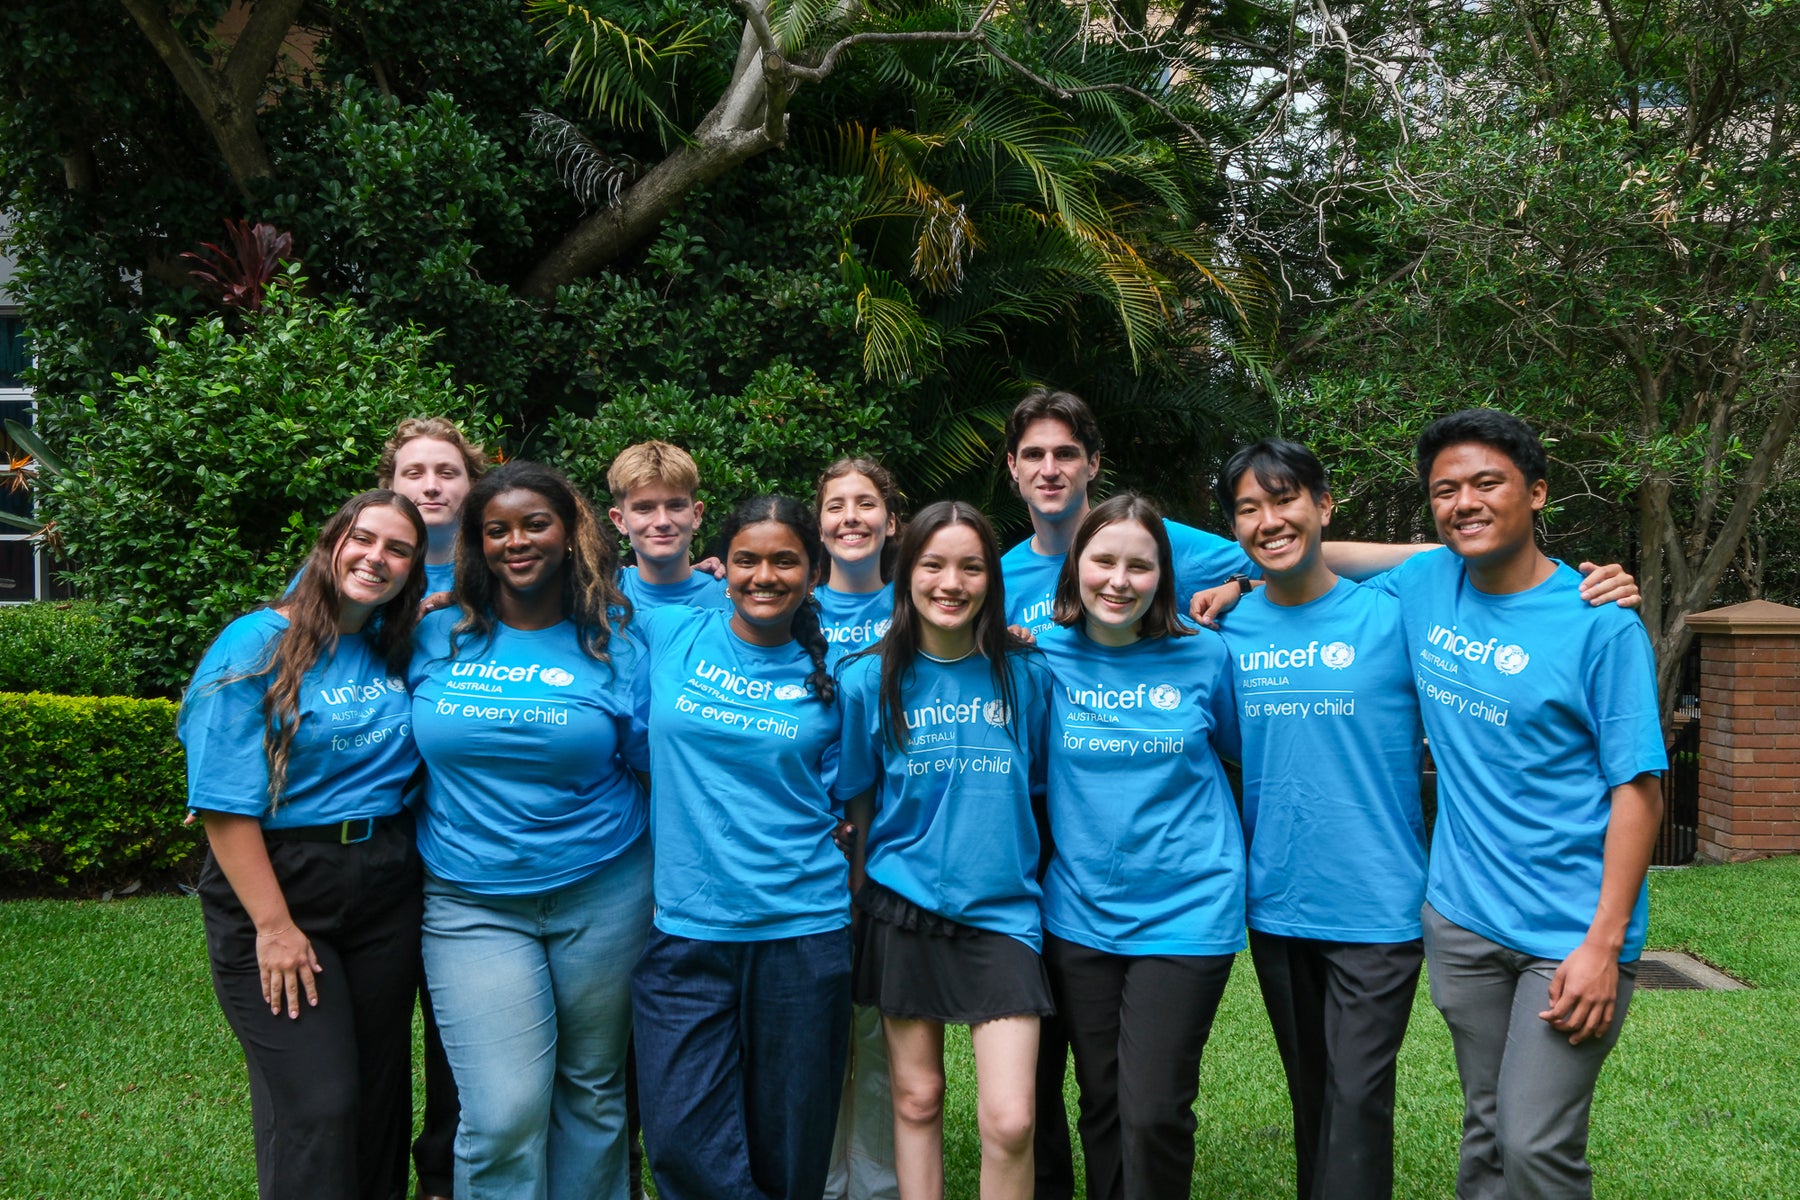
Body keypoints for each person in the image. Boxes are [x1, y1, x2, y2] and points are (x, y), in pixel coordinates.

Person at [1366, 410, 1667, 1199]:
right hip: (1463, 919)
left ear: (1536, 493)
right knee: (1488, 1129)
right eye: (1445, 490)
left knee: (1536, 1144)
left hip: (1569, 935)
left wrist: (1603, 946)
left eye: (1487, 483)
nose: (1464, 501)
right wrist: (1235, 577)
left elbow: (1638, 791)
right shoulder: (1427, 579)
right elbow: (1303, 551)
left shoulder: (1601, 625)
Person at [409, 461, 652, 1200]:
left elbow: (656, 760)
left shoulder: (618, 639)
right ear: (476, 545)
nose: (518, 542)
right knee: (503, 1109)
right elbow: (326, 658)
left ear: (569, 532)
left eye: (535, 524)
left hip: (604, 889)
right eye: (497, 530)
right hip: (470, 900)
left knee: (593, 1091)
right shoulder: (434, 633)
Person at [180, 489, 428, 1200]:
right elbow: (223, 805)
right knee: (319, 1101)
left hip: (385, 880)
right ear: (331, 544)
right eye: (363, 539)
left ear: (415, 568)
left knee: (379, 1096)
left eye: (397, 550)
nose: (376, 559)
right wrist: (274, 926)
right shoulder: (259, 640)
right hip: (283, 883)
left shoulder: (395, 642)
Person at [1215, 440, 1426, 1200]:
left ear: (1324, 506)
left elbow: (1463, 551)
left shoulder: (1395, 612)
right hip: (1276, 903)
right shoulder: (1224, 632)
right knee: (1313, 1100)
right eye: (1248, 509)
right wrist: (1239, 583)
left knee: (1358, 1098)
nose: (1267, 520)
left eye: (1284, 501)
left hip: (1379, 902)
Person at [628, 495, 853, 1200]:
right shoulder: (670, 633)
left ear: (812, 572)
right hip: (685, 931)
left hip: (802, 931)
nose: (765, 575)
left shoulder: (844, 671)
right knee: (676, 1136)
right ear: (720, 568)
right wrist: (448, 592)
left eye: (785, 560)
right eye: (748, 559)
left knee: (790, 1145)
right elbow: (545, 601)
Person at [836, 501, 1054, 1200]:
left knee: (1012, 1119)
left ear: (992, 577)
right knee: (917, 1098)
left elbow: (1045, 791)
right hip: (904, 907)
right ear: (907, 575)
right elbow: (860, 804)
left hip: (1004, 913)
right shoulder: (868, 679)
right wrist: (858, 899)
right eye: (933, 565)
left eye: (969, 566)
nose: (950, 582)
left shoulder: (1026, 675)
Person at [1033, 493, 1244, 1200]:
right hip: (1080, 914)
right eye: (1103, 561)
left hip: (1189, 909)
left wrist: (1242, 583)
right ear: (1075, 567)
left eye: (1139, 566)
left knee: (1153, 1110)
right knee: (1102, 1102)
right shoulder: (1041, 658)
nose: (1118, 580)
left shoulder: (1205, 653)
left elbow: (1241, 752)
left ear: (1164, 576)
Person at [376, 415, 489, 1200]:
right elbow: (284, 663)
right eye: (414, 472)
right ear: (392, 485)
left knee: (463, 1030)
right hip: (380, 840)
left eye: (446, 471)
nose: (430, 485)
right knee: (380, 1027)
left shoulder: (507, 566)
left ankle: (446, 1175)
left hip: (469, 840)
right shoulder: (363, 567)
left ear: (470, 484)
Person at [815, 457, 905, 1200]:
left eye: (865, 503)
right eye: (836, 504)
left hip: (896, 849)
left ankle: (874, 1183)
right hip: (803, 849)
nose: (851, 516)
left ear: (891, 521)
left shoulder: (925, 604)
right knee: (815, 1032)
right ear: (819, 524)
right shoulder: (787, 605)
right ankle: (816, 1174)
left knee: (879, 1031)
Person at [607, 440, 730, 611]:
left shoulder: (734, 599)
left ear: (696, 515)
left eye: (675, 506)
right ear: (620, 521)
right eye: (644, 508)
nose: (662, 521)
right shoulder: (599, 595)